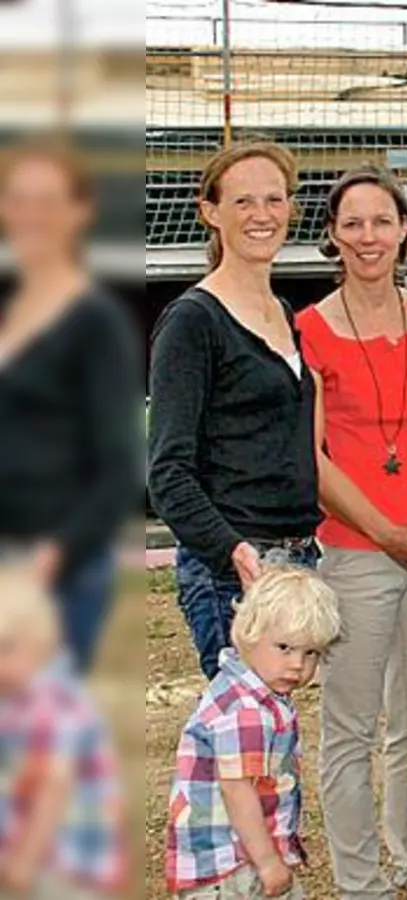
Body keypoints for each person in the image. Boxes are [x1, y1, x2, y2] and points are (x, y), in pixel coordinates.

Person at [297, 164, 407, 900]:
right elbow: (312, 457)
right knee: (349, 728)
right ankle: (362, 882)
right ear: (333, 235)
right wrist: (380, 527)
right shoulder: (307, 328)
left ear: (405, 230)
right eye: (353, 223)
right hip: (358, 548)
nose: (369, 236)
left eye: (382, 221)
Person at [148, 141, 323, 680]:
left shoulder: (281, 312)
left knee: (271, 740)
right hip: (235, 569)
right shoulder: (193, 322)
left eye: (274, 199)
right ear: (210, 212)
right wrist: (234, 553)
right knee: (241, 743)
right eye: (243, 202)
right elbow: (168, 472)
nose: (262, 215)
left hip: (296, 558)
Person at [0, 140, 141, 673]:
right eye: (19, 199)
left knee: (33, 745)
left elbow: (116, 467)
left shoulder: (96, 323)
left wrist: (50, 562)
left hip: (52, 574)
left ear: (80, 211)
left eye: (48, 200)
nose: (31, 214)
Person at [164, 567, 342, 900]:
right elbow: (238, 789)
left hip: (234, 857)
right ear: (247, 633)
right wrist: (268, 861)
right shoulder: (248, 711)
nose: (297, 665)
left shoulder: (242, 689)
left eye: (311, 653)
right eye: (285, 647)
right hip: (233, 865)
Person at [0, 566, 126, 900]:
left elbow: (53, 788)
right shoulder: (15, 696)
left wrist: (23, 861)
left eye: (6, 648)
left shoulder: (51, 706)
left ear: (42, 643)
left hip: (65, 863)